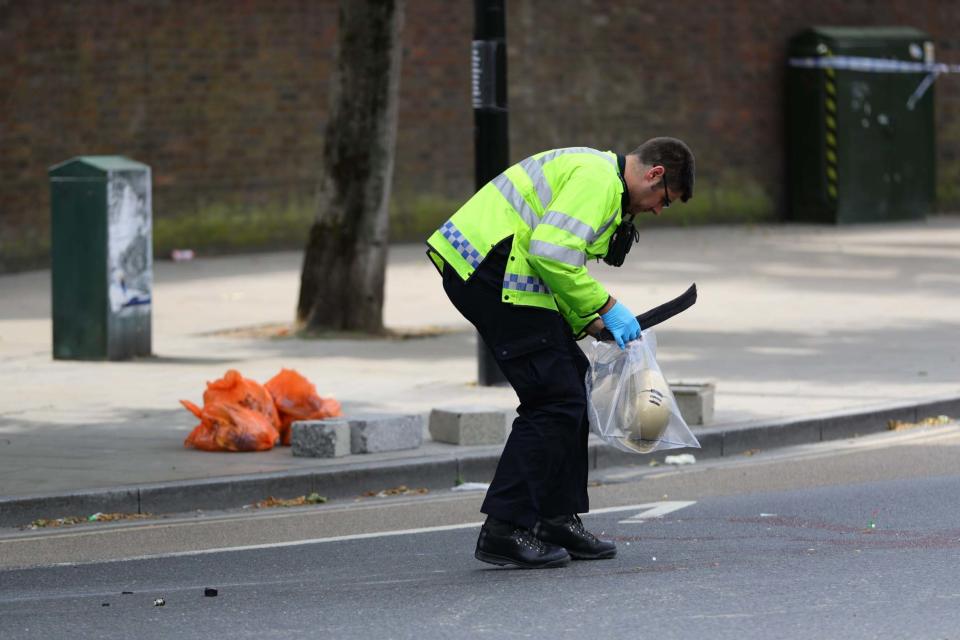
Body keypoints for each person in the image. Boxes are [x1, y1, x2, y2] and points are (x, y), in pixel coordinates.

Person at [426, 138, 695, 568]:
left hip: (497, 267)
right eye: (664, 200)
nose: (659, 210)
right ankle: (504, 528)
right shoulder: (598, 181)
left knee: (571, 378)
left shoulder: (600, 178)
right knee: (554, 397)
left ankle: (554, 518)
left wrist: (586, 322)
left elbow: (556, 262)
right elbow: (550, 253)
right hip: (489, 268)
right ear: (654, 174)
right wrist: (607, 306)